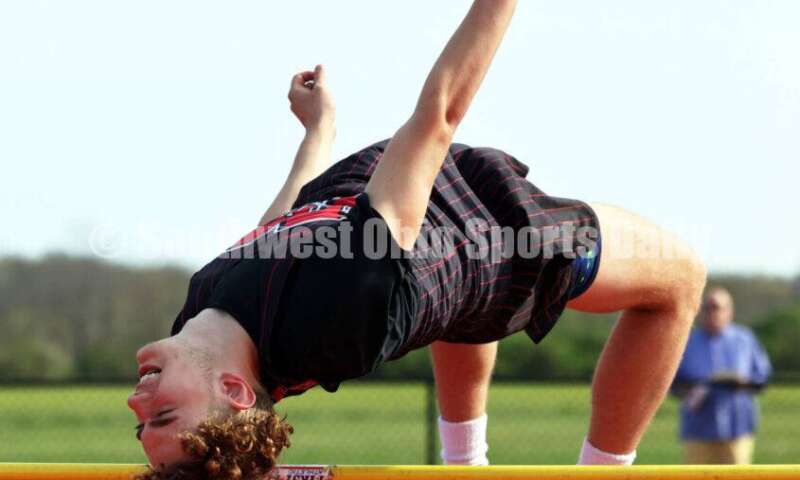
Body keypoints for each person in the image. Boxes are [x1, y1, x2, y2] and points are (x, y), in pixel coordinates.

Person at [127, 2, 707, 478]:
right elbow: (438, 115)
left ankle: (466, 465)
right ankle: (602, 472)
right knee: (678, 278)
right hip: (494, 236)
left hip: (389, 218)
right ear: (233, 388)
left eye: (142, 423)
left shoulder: (201, 317)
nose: (136, 404)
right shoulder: (335, 310)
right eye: (164, 415)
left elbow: (280, 229)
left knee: (426, 286)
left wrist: (319, 131)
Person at [672, 287, 772, 464]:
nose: (711, 312)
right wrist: (698, 388)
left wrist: (738, 382)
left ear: (729, 311)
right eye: (706, 308)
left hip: (737, 429)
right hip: (698, 430)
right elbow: (673, 384)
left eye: (716, 307)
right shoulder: (686, 340)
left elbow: (762, 378)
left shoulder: (745, 339)